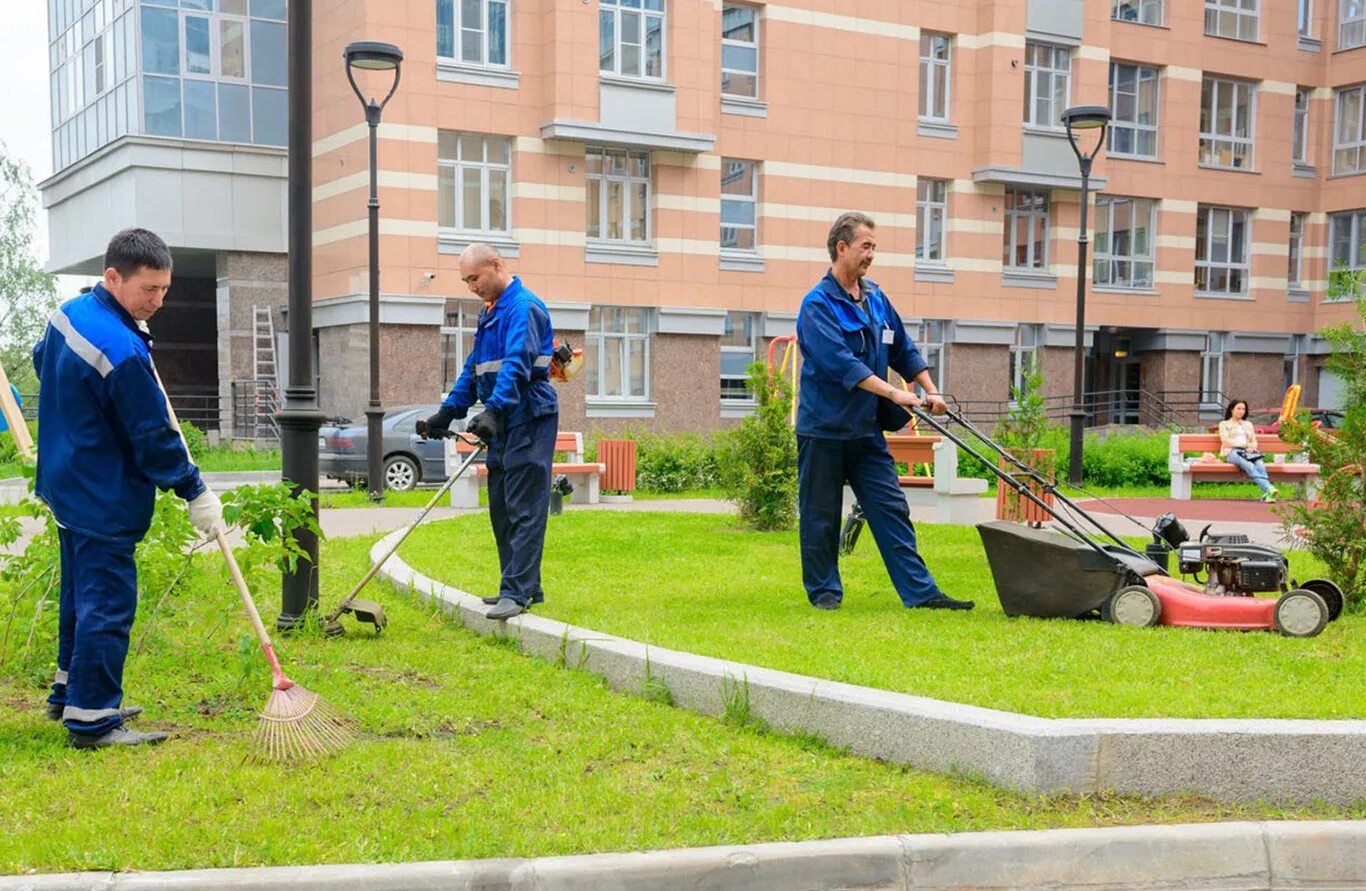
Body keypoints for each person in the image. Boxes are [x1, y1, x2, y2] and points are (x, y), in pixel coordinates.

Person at [33, 228, 226, 749]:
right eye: (149, 290)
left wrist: (82, 420)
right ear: (113, 276)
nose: (158, 302)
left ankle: (71, 692)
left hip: (67, 481)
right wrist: (195, 491)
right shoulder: (121, 348)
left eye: (164, 290)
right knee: (107, 602)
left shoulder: (70, 315)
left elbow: (38, 358)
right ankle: (94, 719)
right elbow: (153, 437)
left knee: (79, 595)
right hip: (101, 493)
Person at [795, 212, 973, 611]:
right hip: (824, 430)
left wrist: (930, 389)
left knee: (892, 509)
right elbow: (843, 365)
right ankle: (825, 593)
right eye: (866, 246)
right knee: (820, 516)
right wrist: (896, 393)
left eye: (874, 247)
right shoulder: (817, 305)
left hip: (865, 431)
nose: (872, 255)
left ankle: (921, 593)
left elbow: (903, 349)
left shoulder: (875, 297)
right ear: (842, 248)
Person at [422, 244, 558, 621]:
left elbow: (515, 363)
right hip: (503, 420)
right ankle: (519, 586)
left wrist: (495, 409)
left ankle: (517, 591)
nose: (471, 287)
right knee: (502, 507)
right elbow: (475, 368)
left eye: (474, 278)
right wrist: (448, 411)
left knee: (524, 506)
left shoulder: (524, 307)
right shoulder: (491, 312)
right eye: (466, 281)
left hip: (528, 415)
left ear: (496, 265)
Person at [1219, 398, 1277, 503]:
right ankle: (1269, 488)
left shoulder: (1248, 424)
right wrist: (1245, 444)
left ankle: (1268, 494)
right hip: (1233, 452)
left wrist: (1252, 447)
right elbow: (1226, 442)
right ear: (1232, 409)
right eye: (1238, 408)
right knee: (1250, 466)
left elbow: (1254, 441)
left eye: (1243, 409)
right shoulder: (1224, 424)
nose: (1241, 411)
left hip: (1248, 452)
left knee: (1260, 464)